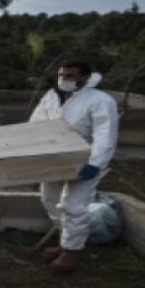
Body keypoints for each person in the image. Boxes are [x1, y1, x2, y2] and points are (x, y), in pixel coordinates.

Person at [29, 61, 119, 273]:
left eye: (70, 76)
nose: (64, 79)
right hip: (53, 158)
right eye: (61, 75)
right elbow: (35, 124)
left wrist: (95, 163)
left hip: (85, 161)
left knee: (73, 205)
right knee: (49, 200)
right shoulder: (51, 96)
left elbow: (105, 135)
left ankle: (72, 252)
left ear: (85, 77)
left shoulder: (100, 101)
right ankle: (65, 241)